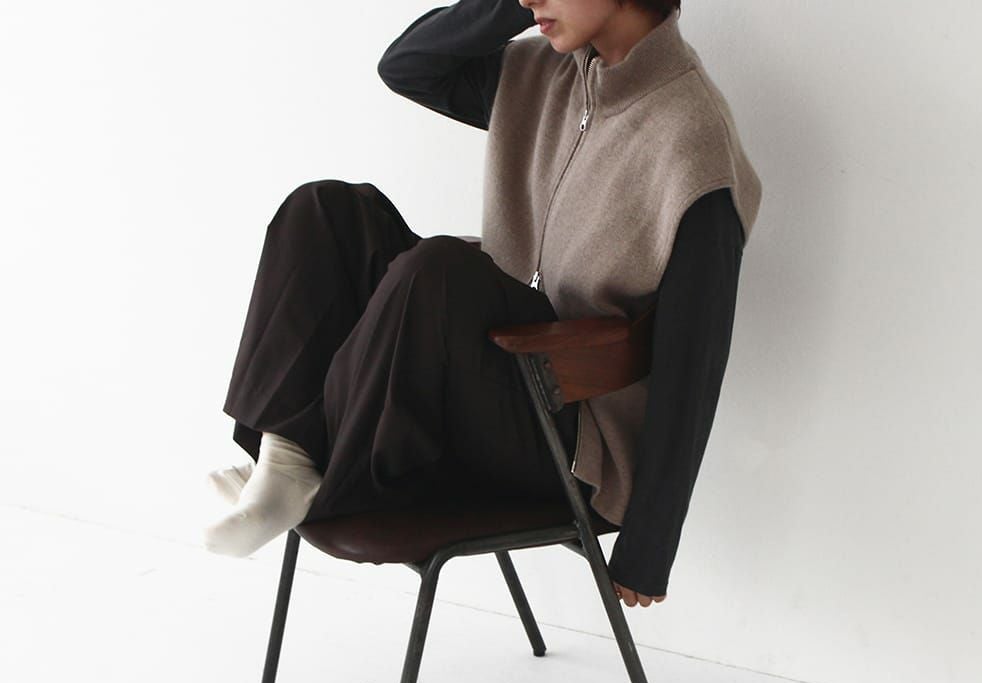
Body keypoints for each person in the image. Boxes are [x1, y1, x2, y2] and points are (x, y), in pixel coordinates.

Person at [203, 0, 762, 609]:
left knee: (439, 269)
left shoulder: (691, 140)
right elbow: (407, 66)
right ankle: (287, 457)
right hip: (485, 379)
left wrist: (650, 546)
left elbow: (693, 365)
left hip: (570, 439)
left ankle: (320, 470)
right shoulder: (540, 73)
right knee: (326, 212)